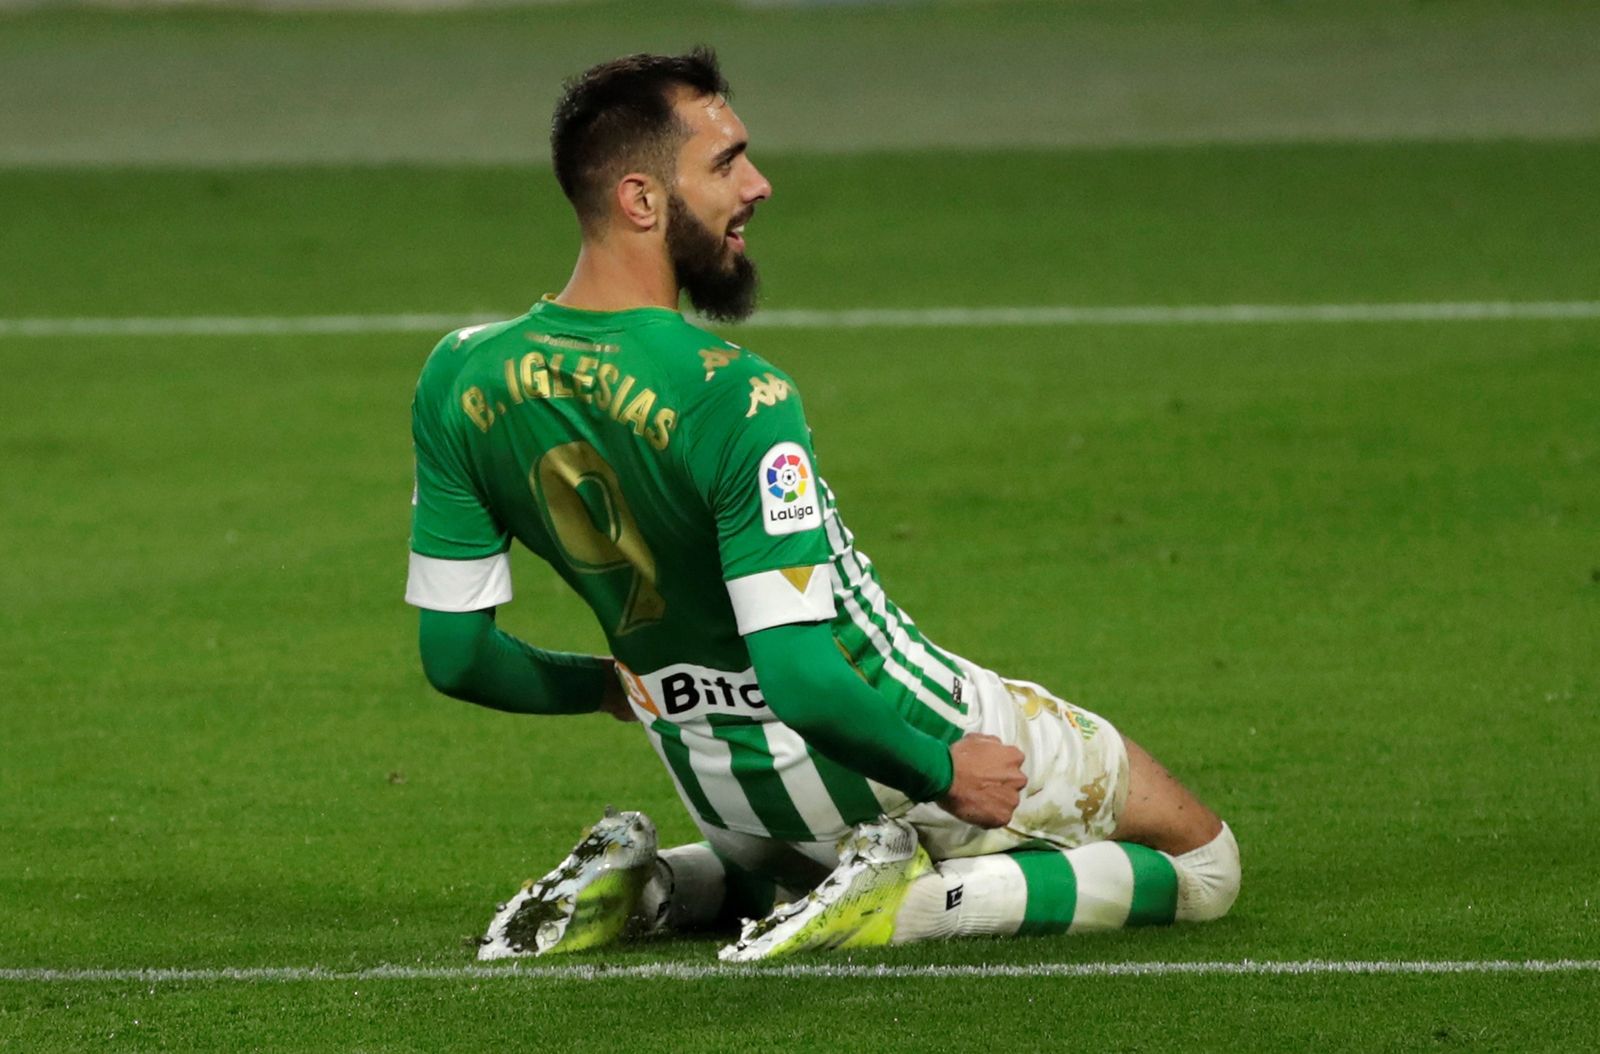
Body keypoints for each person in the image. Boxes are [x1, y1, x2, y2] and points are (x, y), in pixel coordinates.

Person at [404, 48, 1240, 962]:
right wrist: (944, 770)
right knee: (1203, 865)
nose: (757, 185)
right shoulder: (737, 394)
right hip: (892, 741)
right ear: (641, 201)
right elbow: (804, 676)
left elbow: (458, 656)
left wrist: (619, 686)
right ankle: (914, 904)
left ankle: (659, 883)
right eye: (725, 164)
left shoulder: (458, 375)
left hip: (721, 789)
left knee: (786, 866)